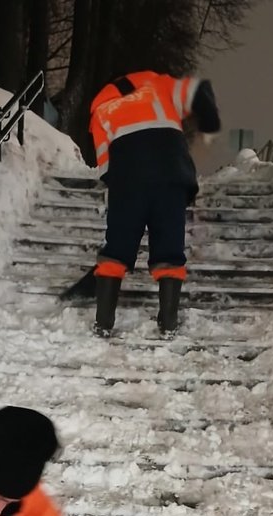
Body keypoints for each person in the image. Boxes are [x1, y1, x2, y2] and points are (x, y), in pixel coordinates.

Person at [88, 70, 221, 336]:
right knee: (169, 248)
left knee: (116, 250)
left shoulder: (100, 109)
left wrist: (120, 193)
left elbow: (105, 166)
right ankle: (168, 323)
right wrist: (209, 122)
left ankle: (103, 322)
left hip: (128, 181)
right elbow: (200, 91)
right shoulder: (158, 85)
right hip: (171, 176)